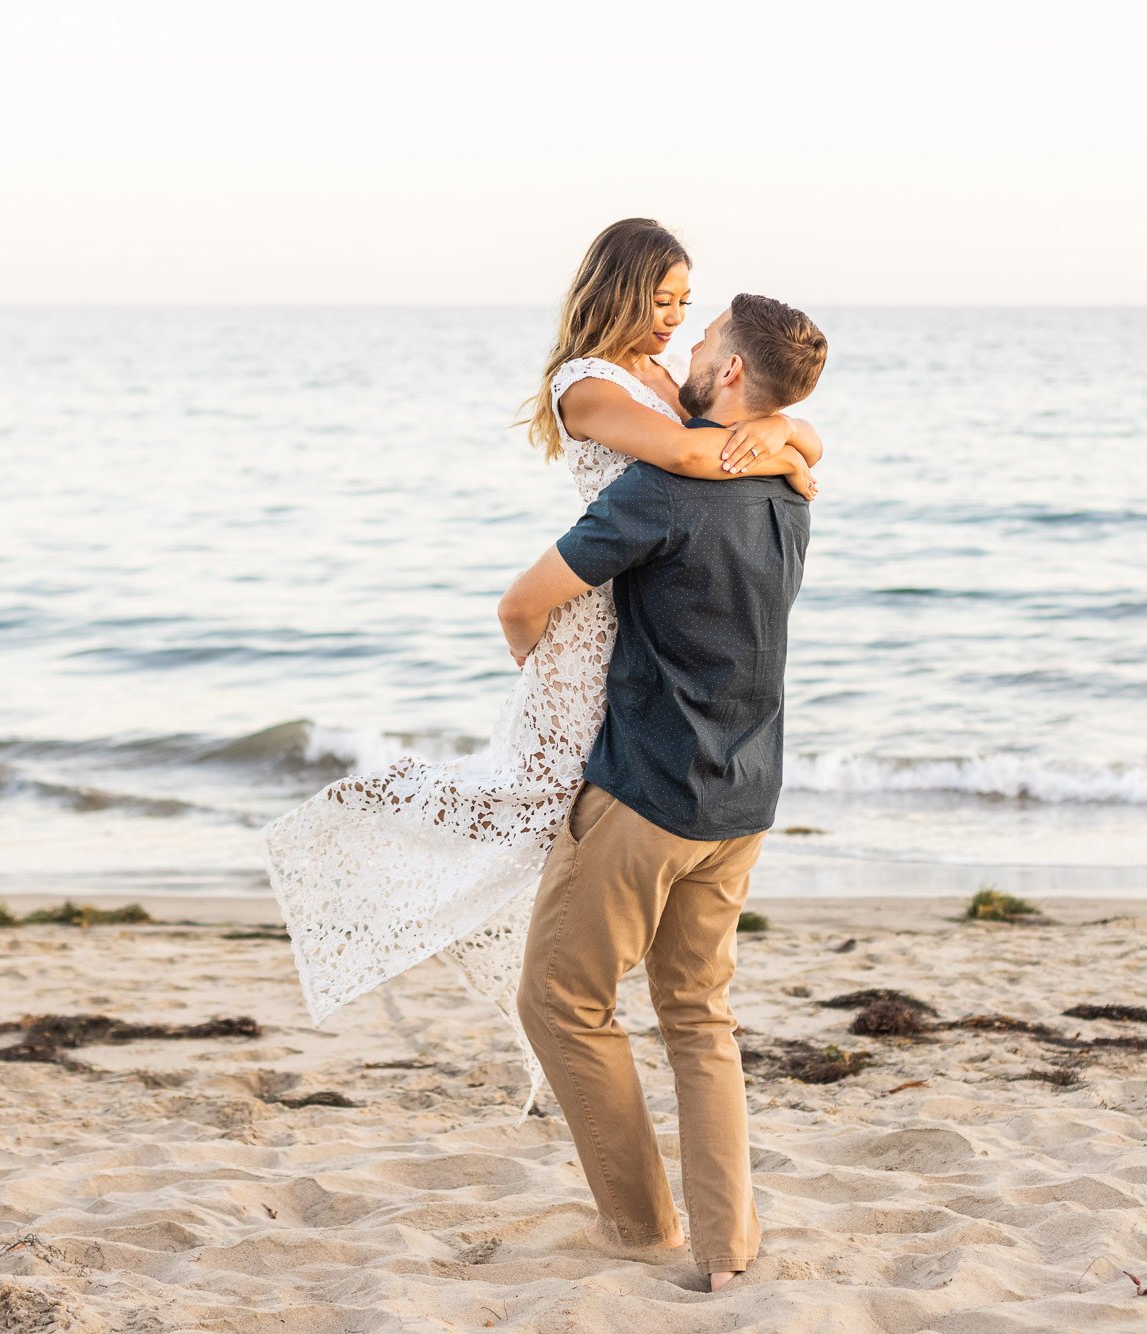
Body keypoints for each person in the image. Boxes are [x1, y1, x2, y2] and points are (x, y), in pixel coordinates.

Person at [258, 220, 824, 1117]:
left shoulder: (659, 376)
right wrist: (782, 442)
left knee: (570, 806)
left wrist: (790, 428)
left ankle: (556, 964)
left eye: (688, 306)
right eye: (663, 301)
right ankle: (366, 851)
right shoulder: (586, 384)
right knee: (542, 797)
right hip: (590, 606)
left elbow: (740, 430)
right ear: (618, 291)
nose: (677, 322)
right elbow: (685, 456)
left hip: (643, 607)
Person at [499, 293, 829, 1291]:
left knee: (558, 998)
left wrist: (549, 697)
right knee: (697, 1014)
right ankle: (727, 1251)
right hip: (745, 793)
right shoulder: (791, 486)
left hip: (644, 791)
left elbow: (523, 603)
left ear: (728, 374)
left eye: (703, 339)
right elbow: (792, 444)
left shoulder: (659, 491)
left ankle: (638, 1222)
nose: (686, 346)